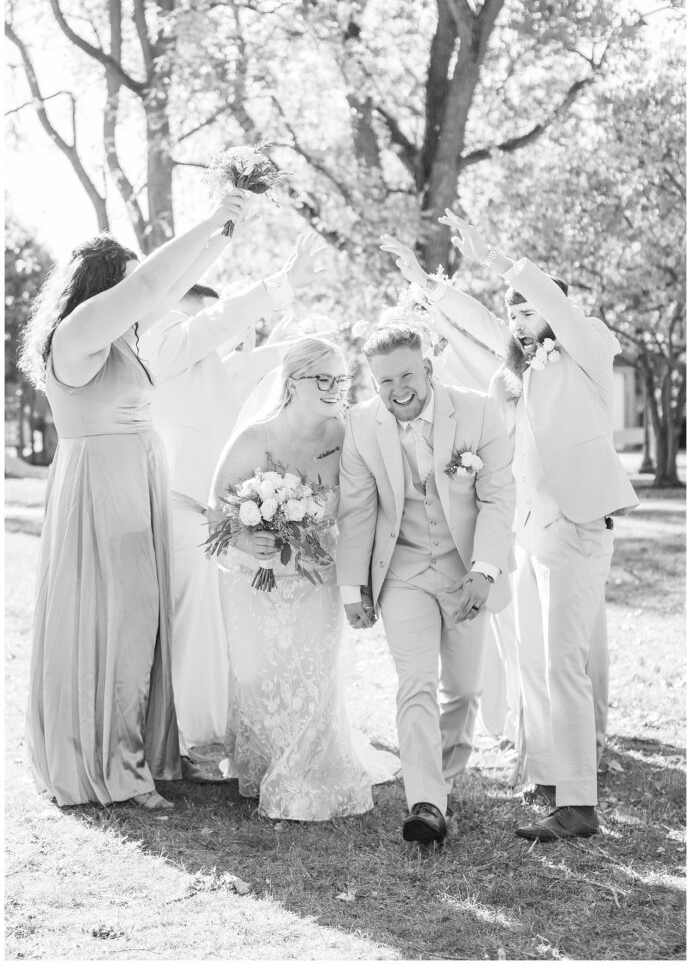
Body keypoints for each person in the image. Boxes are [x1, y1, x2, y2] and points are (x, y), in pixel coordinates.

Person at [385, 215, 639, 841]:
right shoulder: (516, 375)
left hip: (578, 526)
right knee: (531, 661)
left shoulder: (590, 349)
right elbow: (479, 325)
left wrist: (502, 260)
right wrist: (430, 287)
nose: (521, 323)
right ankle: (549, 777)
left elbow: (555, 310)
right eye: (515, 314)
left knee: (564, 665)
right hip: (528, 533)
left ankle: (580, 804)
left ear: (556, 311)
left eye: (529, 311)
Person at [19, 190, 246, 811]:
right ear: (103, 286)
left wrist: (222, 233)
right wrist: (205, 218)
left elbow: (165, 287)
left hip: (134, 480)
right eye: (125, 282)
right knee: (122, 620)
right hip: (104, 486)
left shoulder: (117, 336)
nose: (139, 295)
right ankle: (115, 767)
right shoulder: (81, 331)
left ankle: (137, 753)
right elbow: (150, 288)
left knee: (139, 622)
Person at [139, 232, 325, 769]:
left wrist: (305, 345)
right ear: (187, 309)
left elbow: (247, 362)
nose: (221, 333)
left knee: (205, 628)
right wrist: (279, 284)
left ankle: (197, 738)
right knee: (189, 628)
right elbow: (214, 332)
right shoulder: (164, 337)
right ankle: (190, 745)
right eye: (209, 320)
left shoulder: (204, 365)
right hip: (176, 507)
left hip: (205, 515)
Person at [336, 323, 515, 844]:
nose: (396, 389)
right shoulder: (362, 425)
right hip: (403, 572)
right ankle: (426, 802)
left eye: (406, 374)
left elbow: (499, 497)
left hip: (466, 569)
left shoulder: (477, 410)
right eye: (383, 380)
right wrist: (354, 589)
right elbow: (357, 510)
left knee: (461, 688)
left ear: (428, 369)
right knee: (415, 683)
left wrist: (484, 571)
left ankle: (447, 780)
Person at [208, 337, 390, 820]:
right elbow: (215, 512)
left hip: (317, 577)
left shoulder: (348, 433)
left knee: (312, 675)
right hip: (256, 580)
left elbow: (363, 508)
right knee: (257, 674)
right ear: (292, 384)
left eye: (341, 379)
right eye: (323, 379)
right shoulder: (256, 438)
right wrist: (248, 541)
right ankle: (263, 761)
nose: (335, 389)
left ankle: (307, 768)